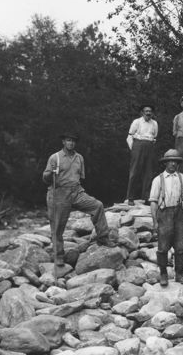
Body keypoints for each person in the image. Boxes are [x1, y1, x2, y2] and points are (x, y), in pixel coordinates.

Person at [41, 130, 112, 267]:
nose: (71, 143)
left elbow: (80, 177)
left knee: (97, 205)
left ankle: (103, 238)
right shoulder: (55, 157)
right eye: (68, 140)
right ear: (63, 142)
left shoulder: (79, 158)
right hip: (58, 193)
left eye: (73, 141)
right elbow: (45, 178)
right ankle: (59, 256)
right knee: (57, 228)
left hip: (76, 191)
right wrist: (51, 172)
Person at [148, 149, 183, 286]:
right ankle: (163, 275)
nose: (173, 164)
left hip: (178, 213)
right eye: (170, 161)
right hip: (164, 213)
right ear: (165, 163)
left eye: (175, 161)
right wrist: (155, 221)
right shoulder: (158, 179)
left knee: (180, 246)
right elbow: (153, 201)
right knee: (163, 247)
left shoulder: (181, 177)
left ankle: (179, 274)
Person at [126, 103, 158, 204]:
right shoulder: (137, 122)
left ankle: (146, 197)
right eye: (146, 111)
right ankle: (130, 197)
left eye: (150, 111)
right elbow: (129, 136)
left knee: (148, 173)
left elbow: (155, 137)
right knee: (134, 172)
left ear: (152, 113)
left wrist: (150, 145)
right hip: (138, 145)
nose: (148, 113)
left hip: (149, 146)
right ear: (142, 113)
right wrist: (134, 149)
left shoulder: (154, 123)